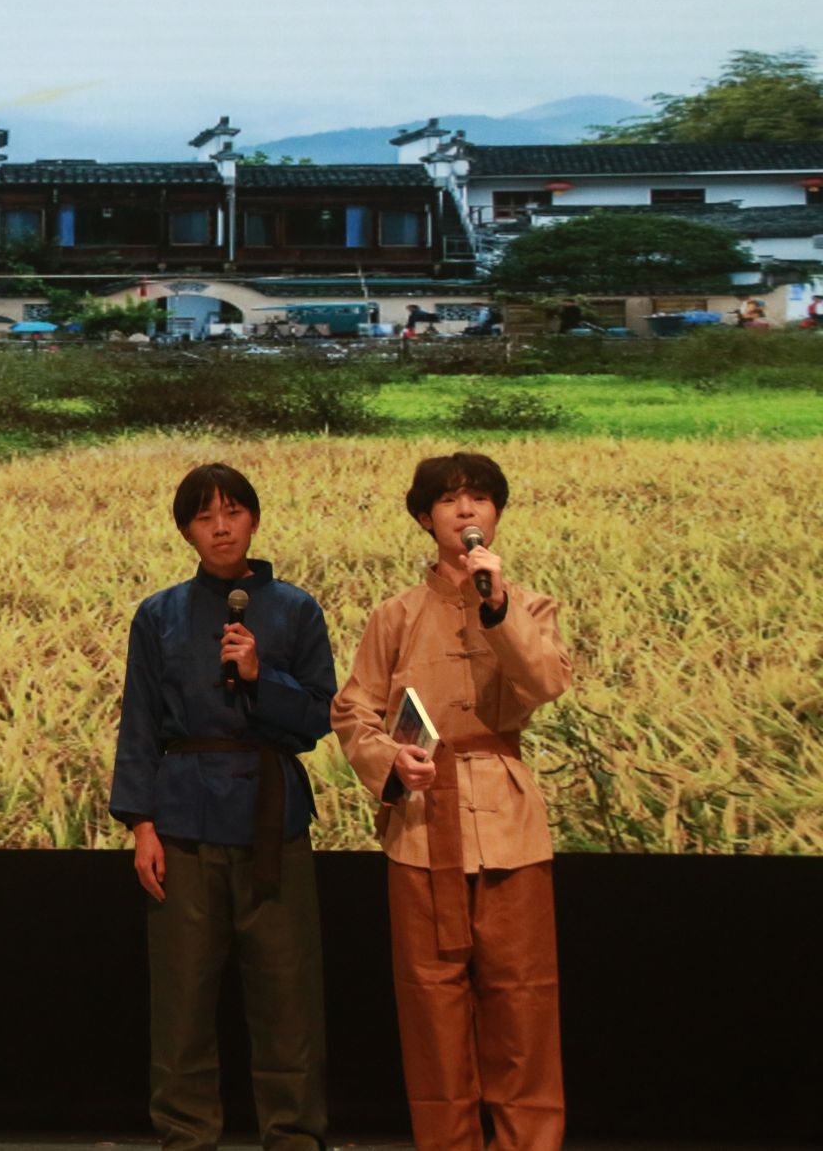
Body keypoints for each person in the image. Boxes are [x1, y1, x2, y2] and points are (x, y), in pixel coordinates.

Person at [330, 452, 572, 1151]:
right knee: (432, 1007)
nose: (466, 510)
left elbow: (546, 682)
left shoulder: (528, 605)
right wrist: (391, 760)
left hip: (510, 823)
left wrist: (497, 608)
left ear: (497, 514)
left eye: (480, 498)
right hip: (421, 823)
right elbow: (353, 711)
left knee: (523, 1001)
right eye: (449, 500)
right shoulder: (395, 615)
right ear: (423, 517)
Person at [110, 463, 337, 1151]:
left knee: (288, 994)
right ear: (186, 530)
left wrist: (262, 675)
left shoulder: (295, 609)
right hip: (183, 818)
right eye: (205, 516)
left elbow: (318, 718)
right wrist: (142, 824)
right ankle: (185, 1135)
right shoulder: (159, 615)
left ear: (254, 519)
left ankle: (294, 1135)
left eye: (233, 512)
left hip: (272, 819)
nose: (221, 527)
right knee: (182, 996)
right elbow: (139, 722)